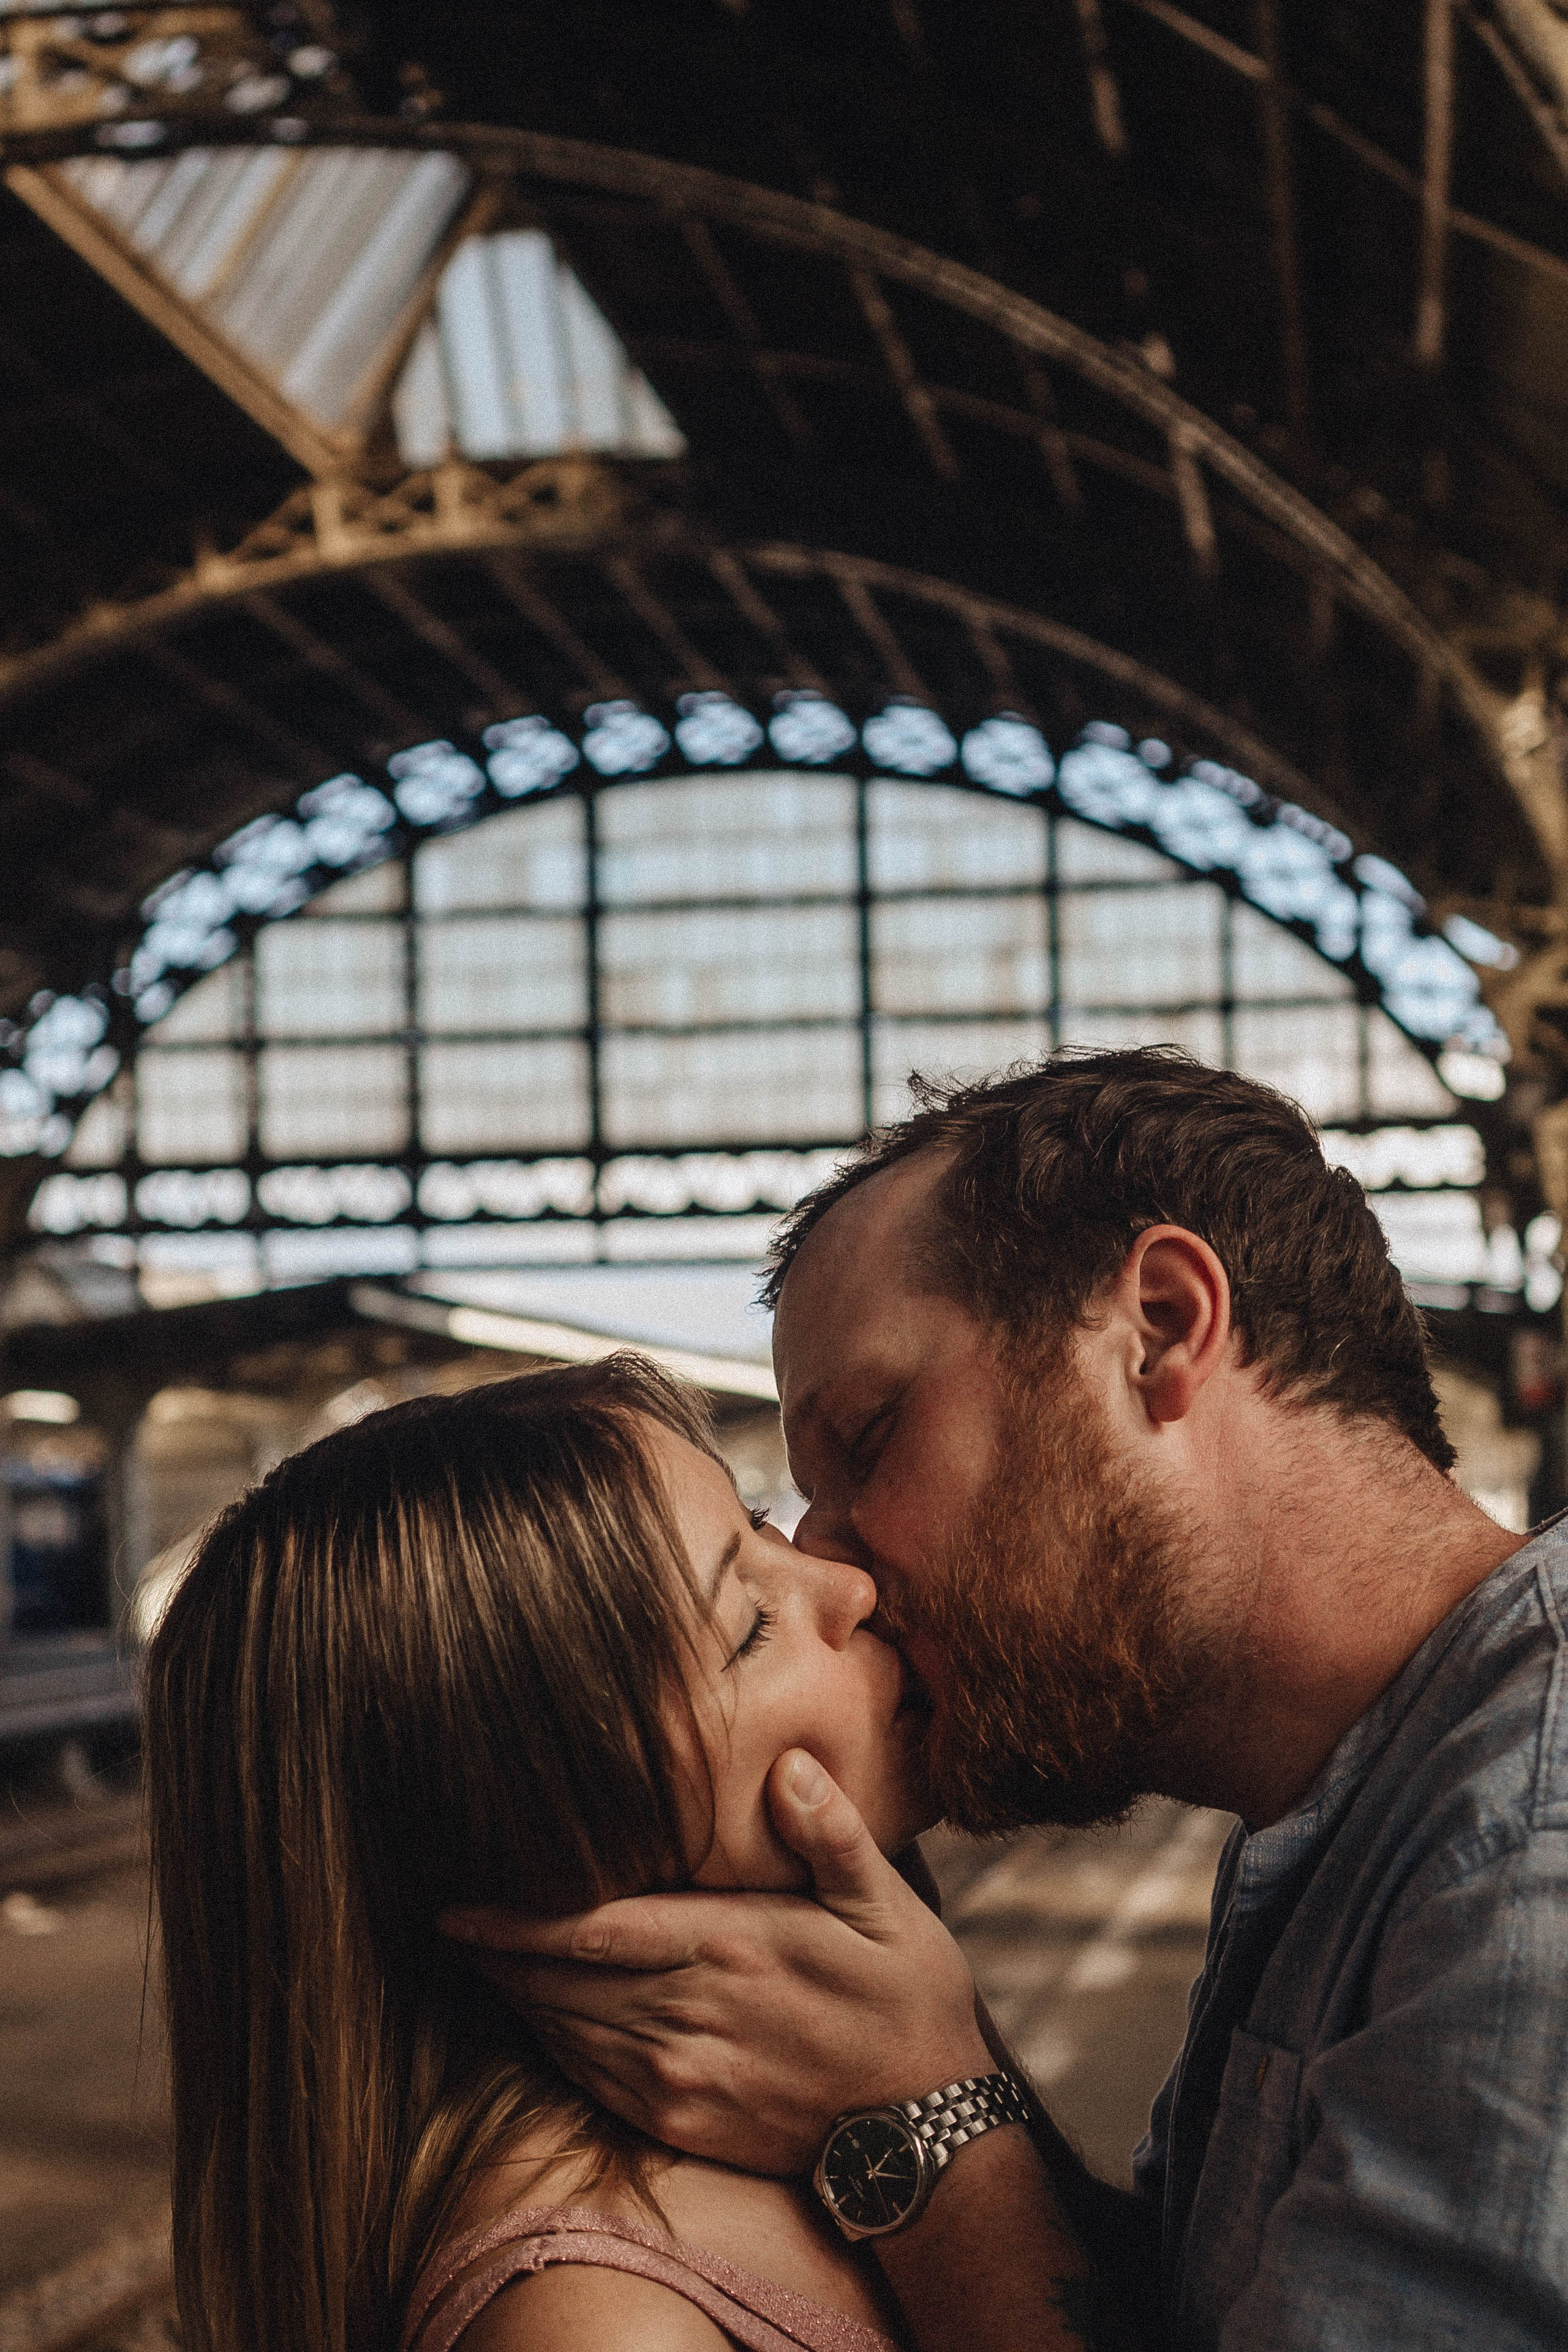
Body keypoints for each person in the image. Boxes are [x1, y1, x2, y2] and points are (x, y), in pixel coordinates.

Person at [447, 1048, 1568, 2351]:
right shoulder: (1360, 1801)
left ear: (1157, 1325)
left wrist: (923, 2115)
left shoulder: (1525, 1848)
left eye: (869, 1439)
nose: (836, 1564)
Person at [143, 1354, 1013, 2352]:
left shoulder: (810, 2102)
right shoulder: (594, 2325)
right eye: (750, 1625)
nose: (849, 1584)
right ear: (541, 1833)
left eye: (761, 1529)